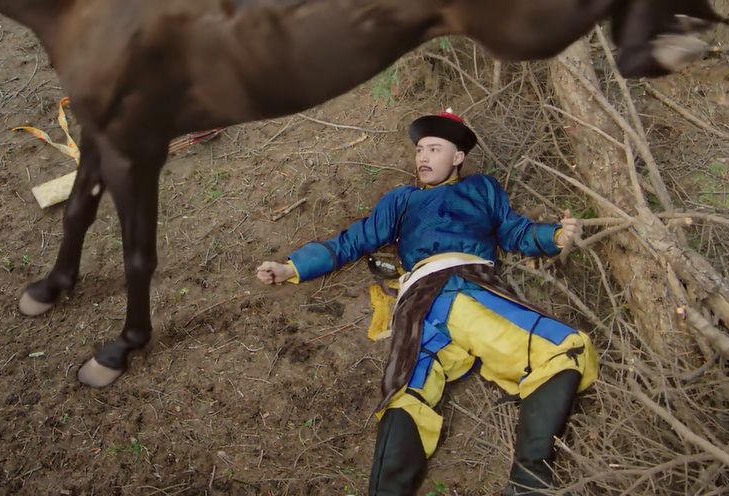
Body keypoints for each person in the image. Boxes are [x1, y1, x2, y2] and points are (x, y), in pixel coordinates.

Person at [256, 109, 599, 496]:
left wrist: (554, 236)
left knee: (408, 389)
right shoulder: (402, 200)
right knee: (560, 349)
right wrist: (291, 268)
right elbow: (352, 241)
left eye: (434, 149)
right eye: (420, 149)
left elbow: (515, 231)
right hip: (423, 299)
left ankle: (526, 484)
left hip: (468, 286)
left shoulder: (482, 189)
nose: (423, 157)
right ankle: (528, 484)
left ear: (457, 157)